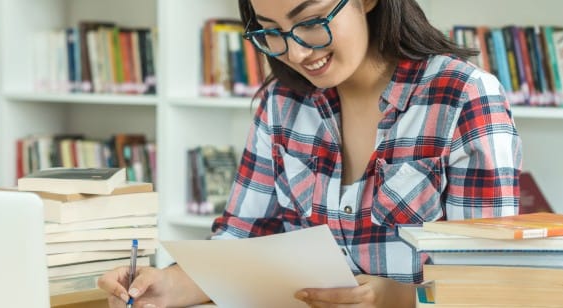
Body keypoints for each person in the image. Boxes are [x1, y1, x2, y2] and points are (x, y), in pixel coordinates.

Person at [99, 0, 522, 306]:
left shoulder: (463, 96)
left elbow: (488, 286)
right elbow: (241, 241)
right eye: (271, 32)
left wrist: (399, 298)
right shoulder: (281, 103)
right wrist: (165, 286)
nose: (297, 52)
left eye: (311, 21)